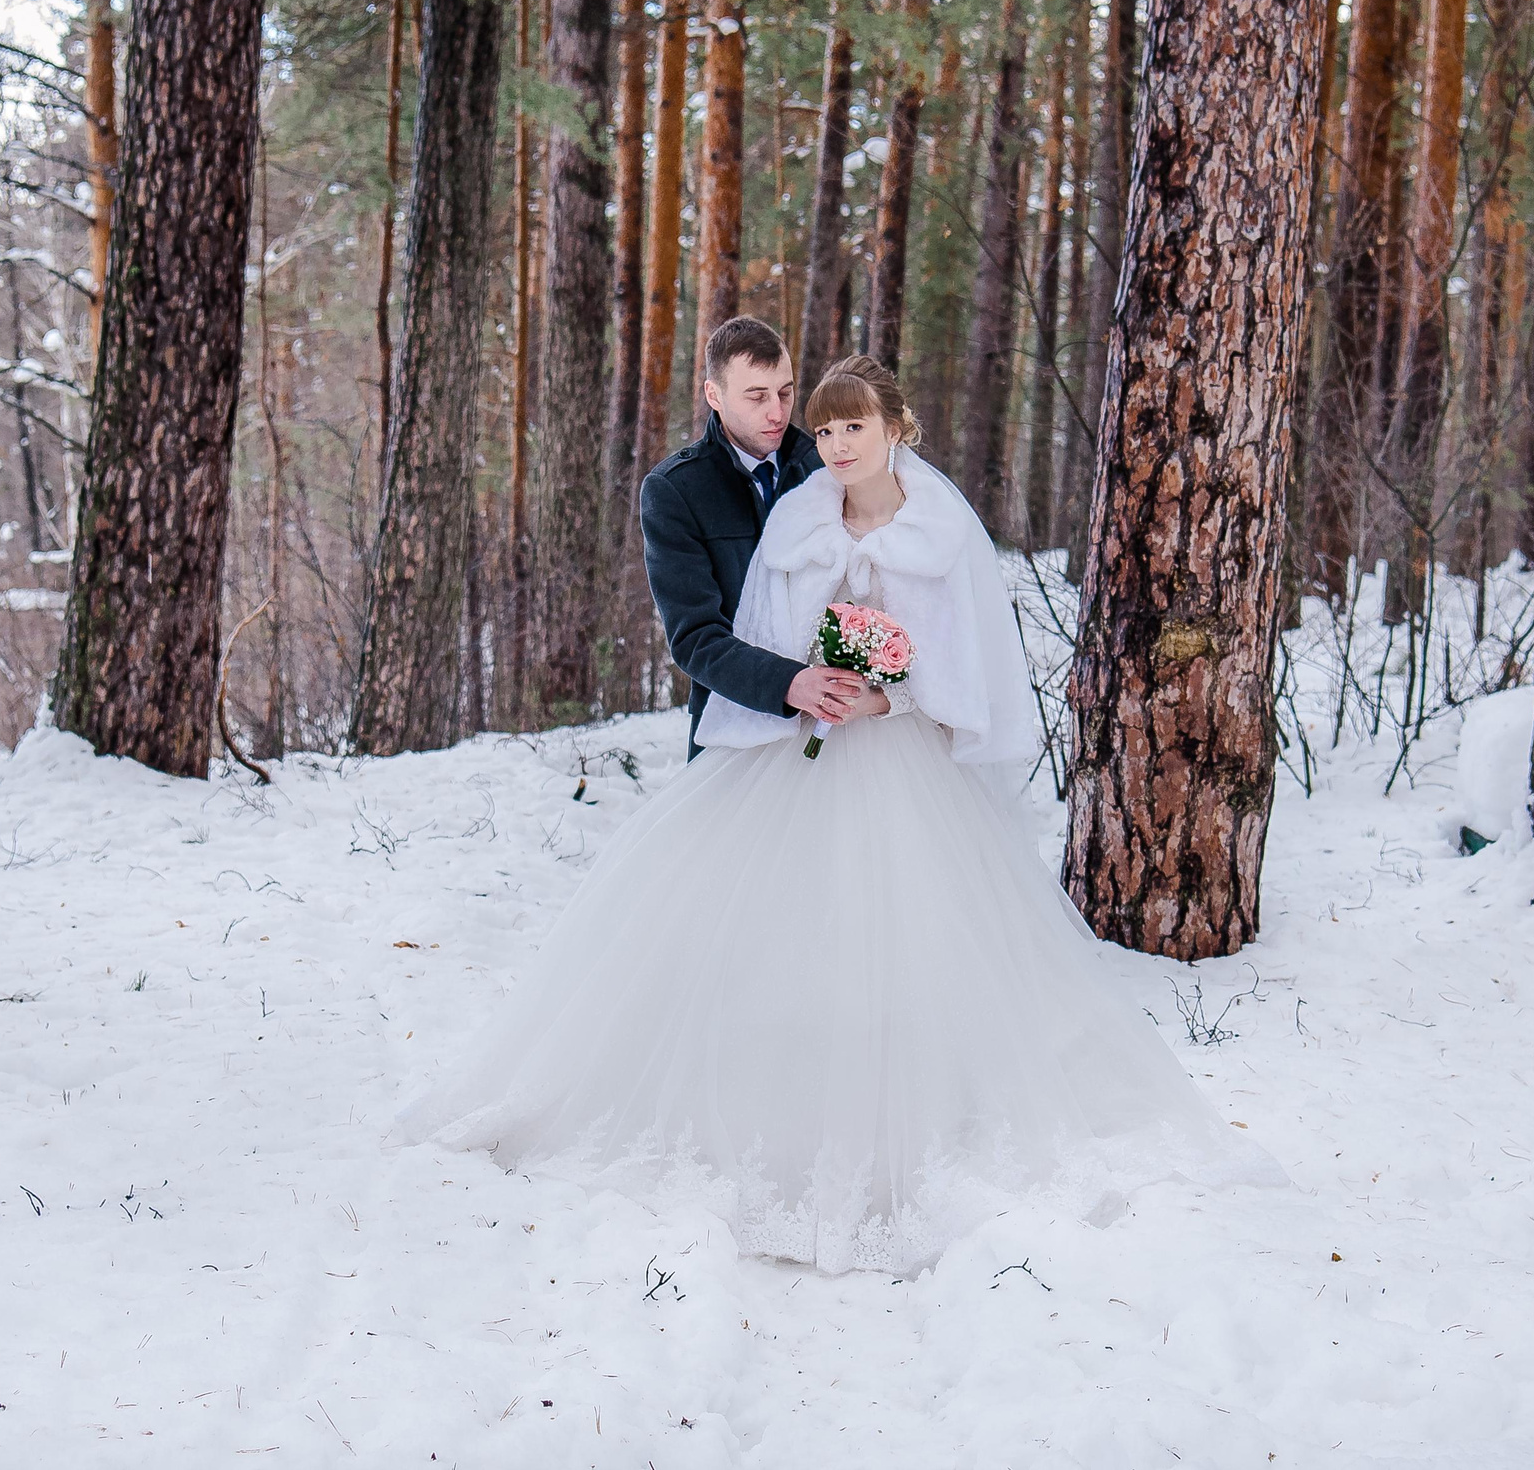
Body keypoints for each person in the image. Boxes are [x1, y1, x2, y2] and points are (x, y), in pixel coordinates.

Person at [396, 355, 1280, 1275]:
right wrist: (801, 689)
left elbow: (960, 657)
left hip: (901, 768)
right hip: (798, 754)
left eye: (850, 424)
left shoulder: (939, 529)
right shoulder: (794, 518)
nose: (832, 441)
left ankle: (912, 1127)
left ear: (896, 426)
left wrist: (888, 700)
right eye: (822, 428)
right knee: (774, 939)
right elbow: (761, 628)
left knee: (904, 940)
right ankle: (762, 1110)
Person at [637, 316, 872, 759]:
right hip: (732, 728)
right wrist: (789, 683)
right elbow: (696, 638)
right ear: (715, 395)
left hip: (841, 728)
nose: (777, 413)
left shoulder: (827, 466)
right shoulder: (675, 490)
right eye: (757, 396)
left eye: (785, 392)